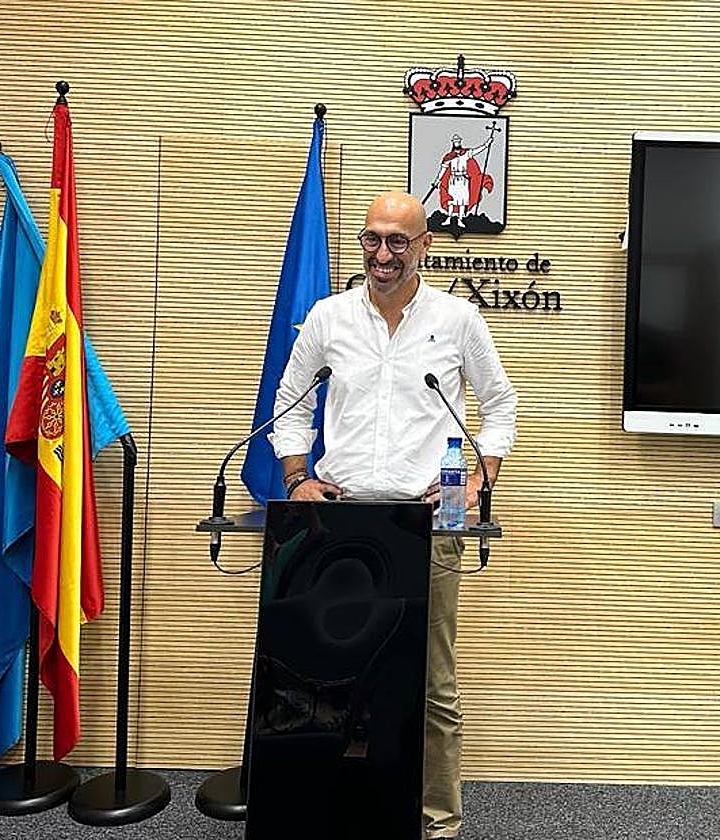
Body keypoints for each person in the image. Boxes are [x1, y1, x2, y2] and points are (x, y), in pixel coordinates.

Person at [268, 190, 517, 839]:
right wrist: (296, 477)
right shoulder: (328, 318)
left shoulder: (457, 320)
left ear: (424, 245)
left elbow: (500, 405)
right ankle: (331, 815)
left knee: (432, 684)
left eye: (398, 240)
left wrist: (479, 480)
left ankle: (437, 824)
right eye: (372, 238)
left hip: (427, 523)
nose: (383, 253)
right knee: (325, 677)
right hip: (339, 523)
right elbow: (290, 403)